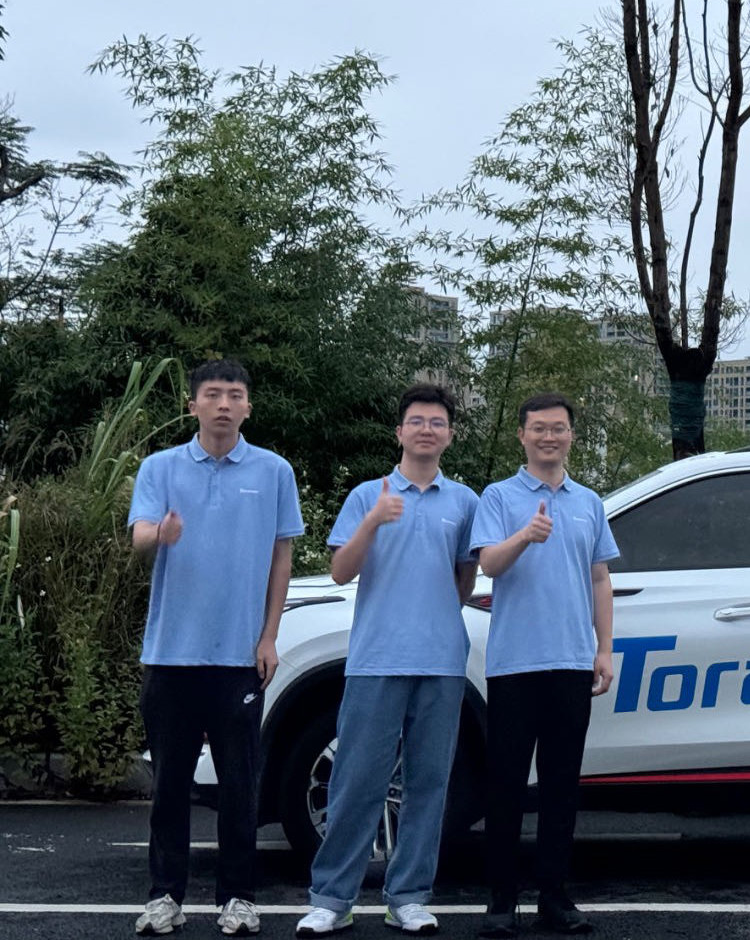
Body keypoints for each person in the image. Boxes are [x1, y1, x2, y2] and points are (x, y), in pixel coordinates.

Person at [294, 385, 478, 938]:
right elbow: (340, 571)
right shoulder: (365, 495)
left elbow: (464, 583)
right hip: (376, 659)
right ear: (399, 431)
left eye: (437, 422)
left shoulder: (464, 502)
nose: (426, 429)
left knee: (428, 782)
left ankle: (410, 897)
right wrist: (373, 520)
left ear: (449, 435)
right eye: (416, 421)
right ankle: (332, 898)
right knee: (356, 780)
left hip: (442, 661)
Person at [128, 359, 304, 937]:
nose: (223, 404)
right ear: (192, 405)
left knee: (239, 786)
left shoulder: (274, 471)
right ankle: (164, 896)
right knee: (170, 785)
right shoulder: (160, 467)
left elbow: (282, 556)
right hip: (170, 654)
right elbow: (139, 537)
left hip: (239, 657)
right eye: (212, 394)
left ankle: (239, 897)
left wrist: (269, 635)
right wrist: (161, 533)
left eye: (234, 395)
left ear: (248, 406)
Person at [471, 393, 617, 938]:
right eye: (538, 428)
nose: (548, 437)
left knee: (561, 786)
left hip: (572, 661)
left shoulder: (588, 502)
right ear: (522, 436)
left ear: (571, 435)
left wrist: (604, 648)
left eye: (558, 428)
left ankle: (554, 897)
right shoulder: (499, 496)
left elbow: (600, 578)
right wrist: (524, 536)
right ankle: (501, 900)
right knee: (506, 785)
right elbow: (488, 563)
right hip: (515, 663)